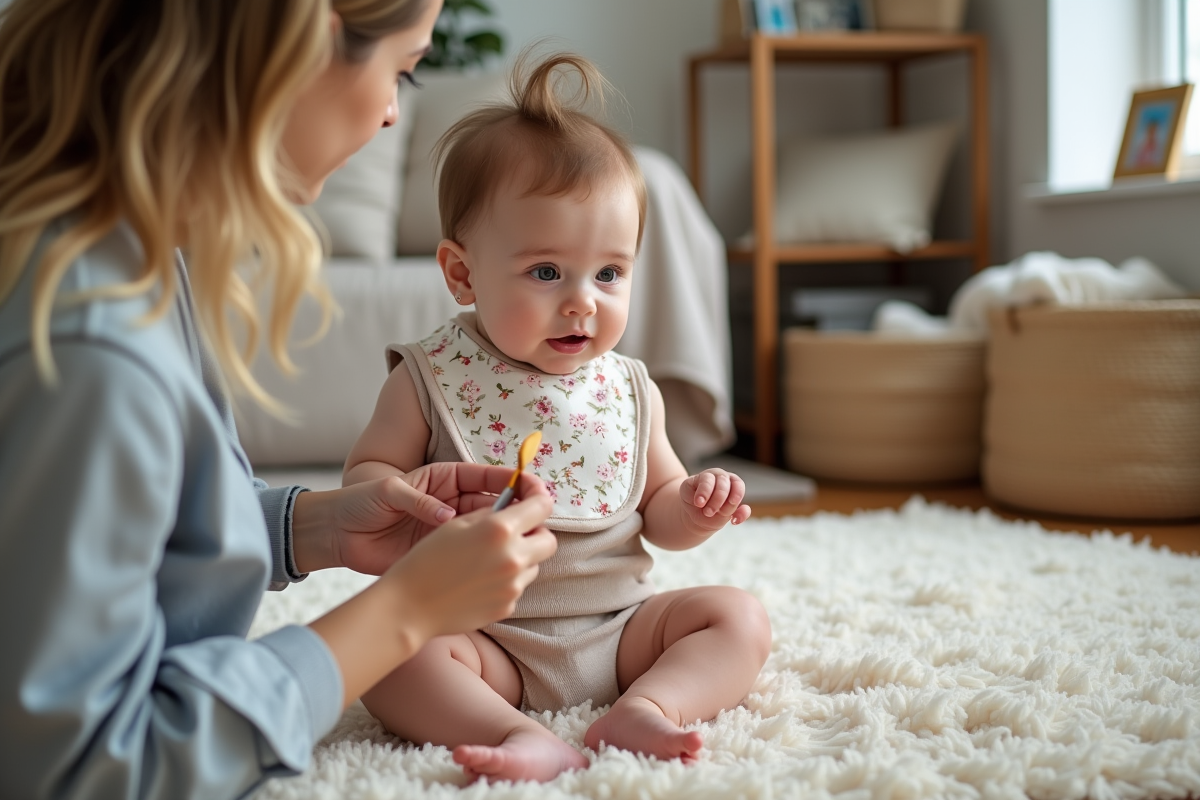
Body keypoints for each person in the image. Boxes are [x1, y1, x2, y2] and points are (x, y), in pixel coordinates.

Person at [0, 1, 559, 798]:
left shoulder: (114, 248)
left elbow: (115, 532)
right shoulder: (89, 342)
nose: (396, 109)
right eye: (401, 67)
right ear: (300, 50)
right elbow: (83, 768)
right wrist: (402, 612)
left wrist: (314, 528)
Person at [342, 50, 774, 784]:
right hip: (485, 639)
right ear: (461, 273)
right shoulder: (429, 377)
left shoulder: (631, 388)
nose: (583, 301)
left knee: (739, 617)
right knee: (387, 654)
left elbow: (657, 512)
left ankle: (649, 707)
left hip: (621, 631)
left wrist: (694, 508)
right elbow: (368, 478)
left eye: (609, 273)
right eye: (547, 272)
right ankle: (513, 733)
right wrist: (413, 499)